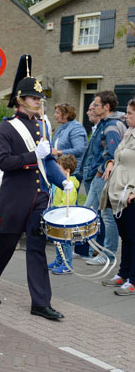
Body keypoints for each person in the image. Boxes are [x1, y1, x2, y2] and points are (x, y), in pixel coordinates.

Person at [0, 54, 70, 320]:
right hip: (15, 196)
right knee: (6, 244)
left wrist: (61, 179)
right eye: (34, 98)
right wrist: (34, 155)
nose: (38, 102)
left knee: (37, 248)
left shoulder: (42, 125)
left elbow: (48, 161)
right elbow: (6, 163)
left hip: (39, 196)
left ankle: (40, 302)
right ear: (20, 100)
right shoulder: (7, 127)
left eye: (40, 99)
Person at [81, 91, 126, 266]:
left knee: (106, 216)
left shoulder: (111, 126)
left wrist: (100, 170)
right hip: (98, 177)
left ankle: (108, 255)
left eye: (96, 104)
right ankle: (88, 249)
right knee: (89, 212)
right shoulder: (104, 124)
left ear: (107, 107)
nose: (92, 107)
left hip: (104, 178)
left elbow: (113, 154)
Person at [100, 99, 135, 295]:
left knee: (133, 237)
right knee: (126, 237)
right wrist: (111, 162)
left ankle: (133, 279)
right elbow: (121, 155)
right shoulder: (129, 133)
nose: (126, 116)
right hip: (118, 193)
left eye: (130, 113)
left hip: (130, 193)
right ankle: (124, 273)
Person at [47, 154, 79, 275]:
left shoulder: (70, 184)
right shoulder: (60, 182)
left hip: (65, 216)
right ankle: (59, 260)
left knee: (65, 242)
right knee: (58, 240)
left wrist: (60, 211)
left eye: (58, 168)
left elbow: (68, 202)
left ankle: (67, 264)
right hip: (57, 213)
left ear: (67, 170)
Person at [51, 102, 87, 168]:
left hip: (72, 171)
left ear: (65, 115)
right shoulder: (61, 128)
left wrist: (58, 152)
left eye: (57, 113)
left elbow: (79, 149)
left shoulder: (76, 128)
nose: (54, 115)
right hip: (61, 169)